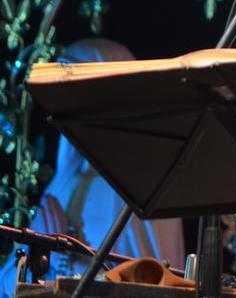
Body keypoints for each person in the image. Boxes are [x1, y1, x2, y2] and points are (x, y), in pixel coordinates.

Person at [0, 39, 185, 298]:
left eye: (74, 90)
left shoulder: (143, 186)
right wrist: (39, 252)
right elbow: (5, 287)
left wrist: (64, 253)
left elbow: (157, 286)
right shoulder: (64, 184)